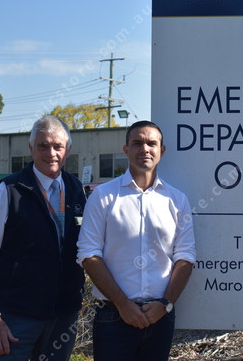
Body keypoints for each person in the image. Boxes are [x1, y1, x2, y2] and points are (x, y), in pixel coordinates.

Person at [0, 115, 86, 360]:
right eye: (43, 146)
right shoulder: (9, 191)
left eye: (58, 146)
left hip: (63, 318)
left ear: (68, 150)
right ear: (31, 148)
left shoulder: (77, 190)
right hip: (14, 320)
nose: (51, 153)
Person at [77, 120, 196, 361]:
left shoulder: (177, 200)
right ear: (126, 150)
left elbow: (185, 257)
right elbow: (88, 254)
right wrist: (123, 304)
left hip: (160, 316)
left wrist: (165, 304)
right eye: (137, 143)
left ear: (162, 150)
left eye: (152, 143)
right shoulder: (103, 196)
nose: (145, 149)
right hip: (113, 316)